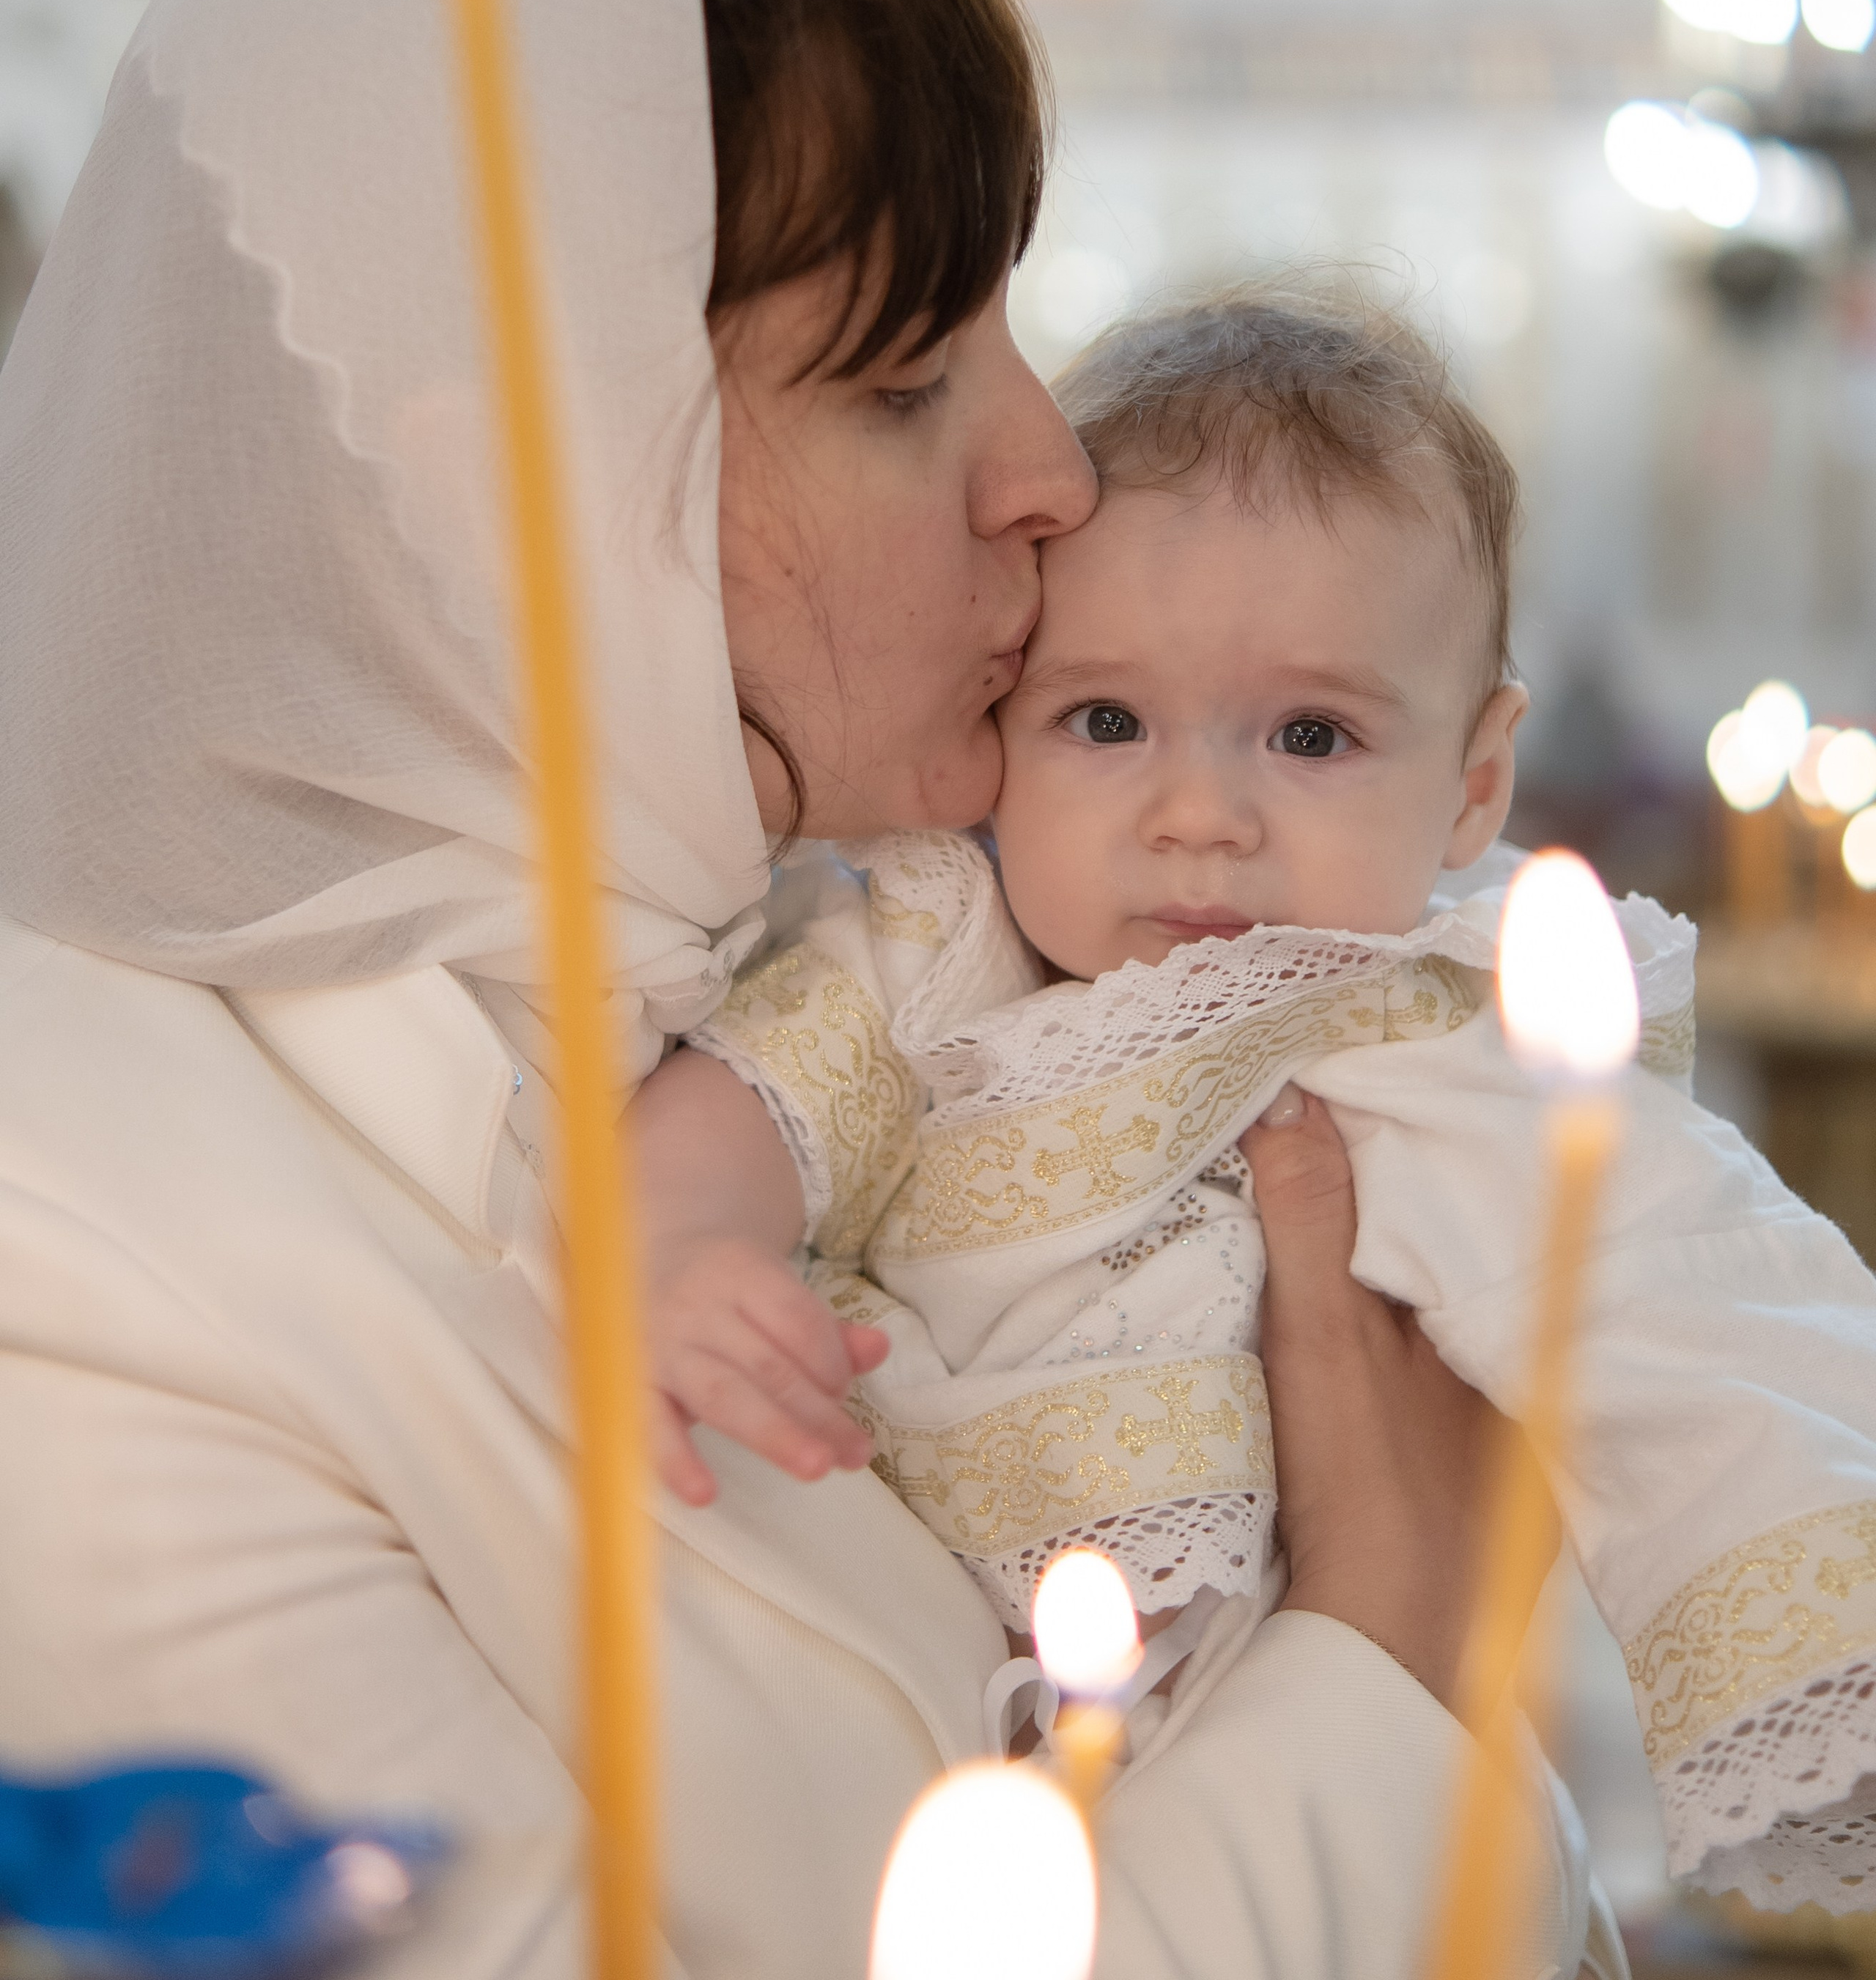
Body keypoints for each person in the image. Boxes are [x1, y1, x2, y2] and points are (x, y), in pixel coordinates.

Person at [0, 0, 1605, 1979]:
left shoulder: (890, 964)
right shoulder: (73, 1282)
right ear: (532, 484)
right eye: (903, 378)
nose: (1054, 472)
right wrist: (1399, 1648)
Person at [650, 290, 1876, 1915]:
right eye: (1106, 720)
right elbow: (750, 1106)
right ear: (999, 713)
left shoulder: (1443, 1017)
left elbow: (1699, 1292)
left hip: (1354, 1722)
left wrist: (1816, 1621)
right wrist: (683, 1253)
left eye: (1310, 734)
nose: (1200, 814)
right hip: (961, 1686)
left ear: (1473, 783)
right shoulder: (937, 946)